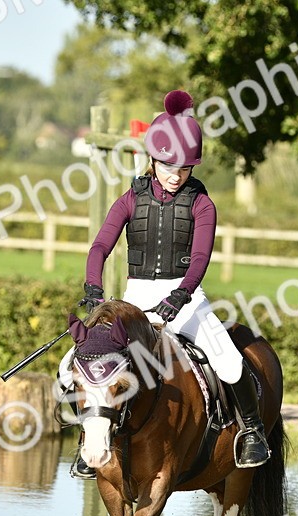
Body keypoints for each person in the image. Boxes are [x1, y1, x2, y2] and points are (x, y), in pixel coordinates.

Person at [66, 89, 270, 479]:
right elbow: (100, 247)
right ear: (153, 159)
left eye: (184, 168)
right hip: (135, 298)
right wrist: (93, 290)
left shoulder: (201, 204)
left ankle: (252, 431)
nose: (175, 175)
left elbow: (199, 260)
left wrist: (180, 295)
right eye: (167, 165)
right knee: (78, 364)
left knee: (228, 362)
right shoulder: (129, 199)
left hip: (186, 296)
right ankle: (88, 444)